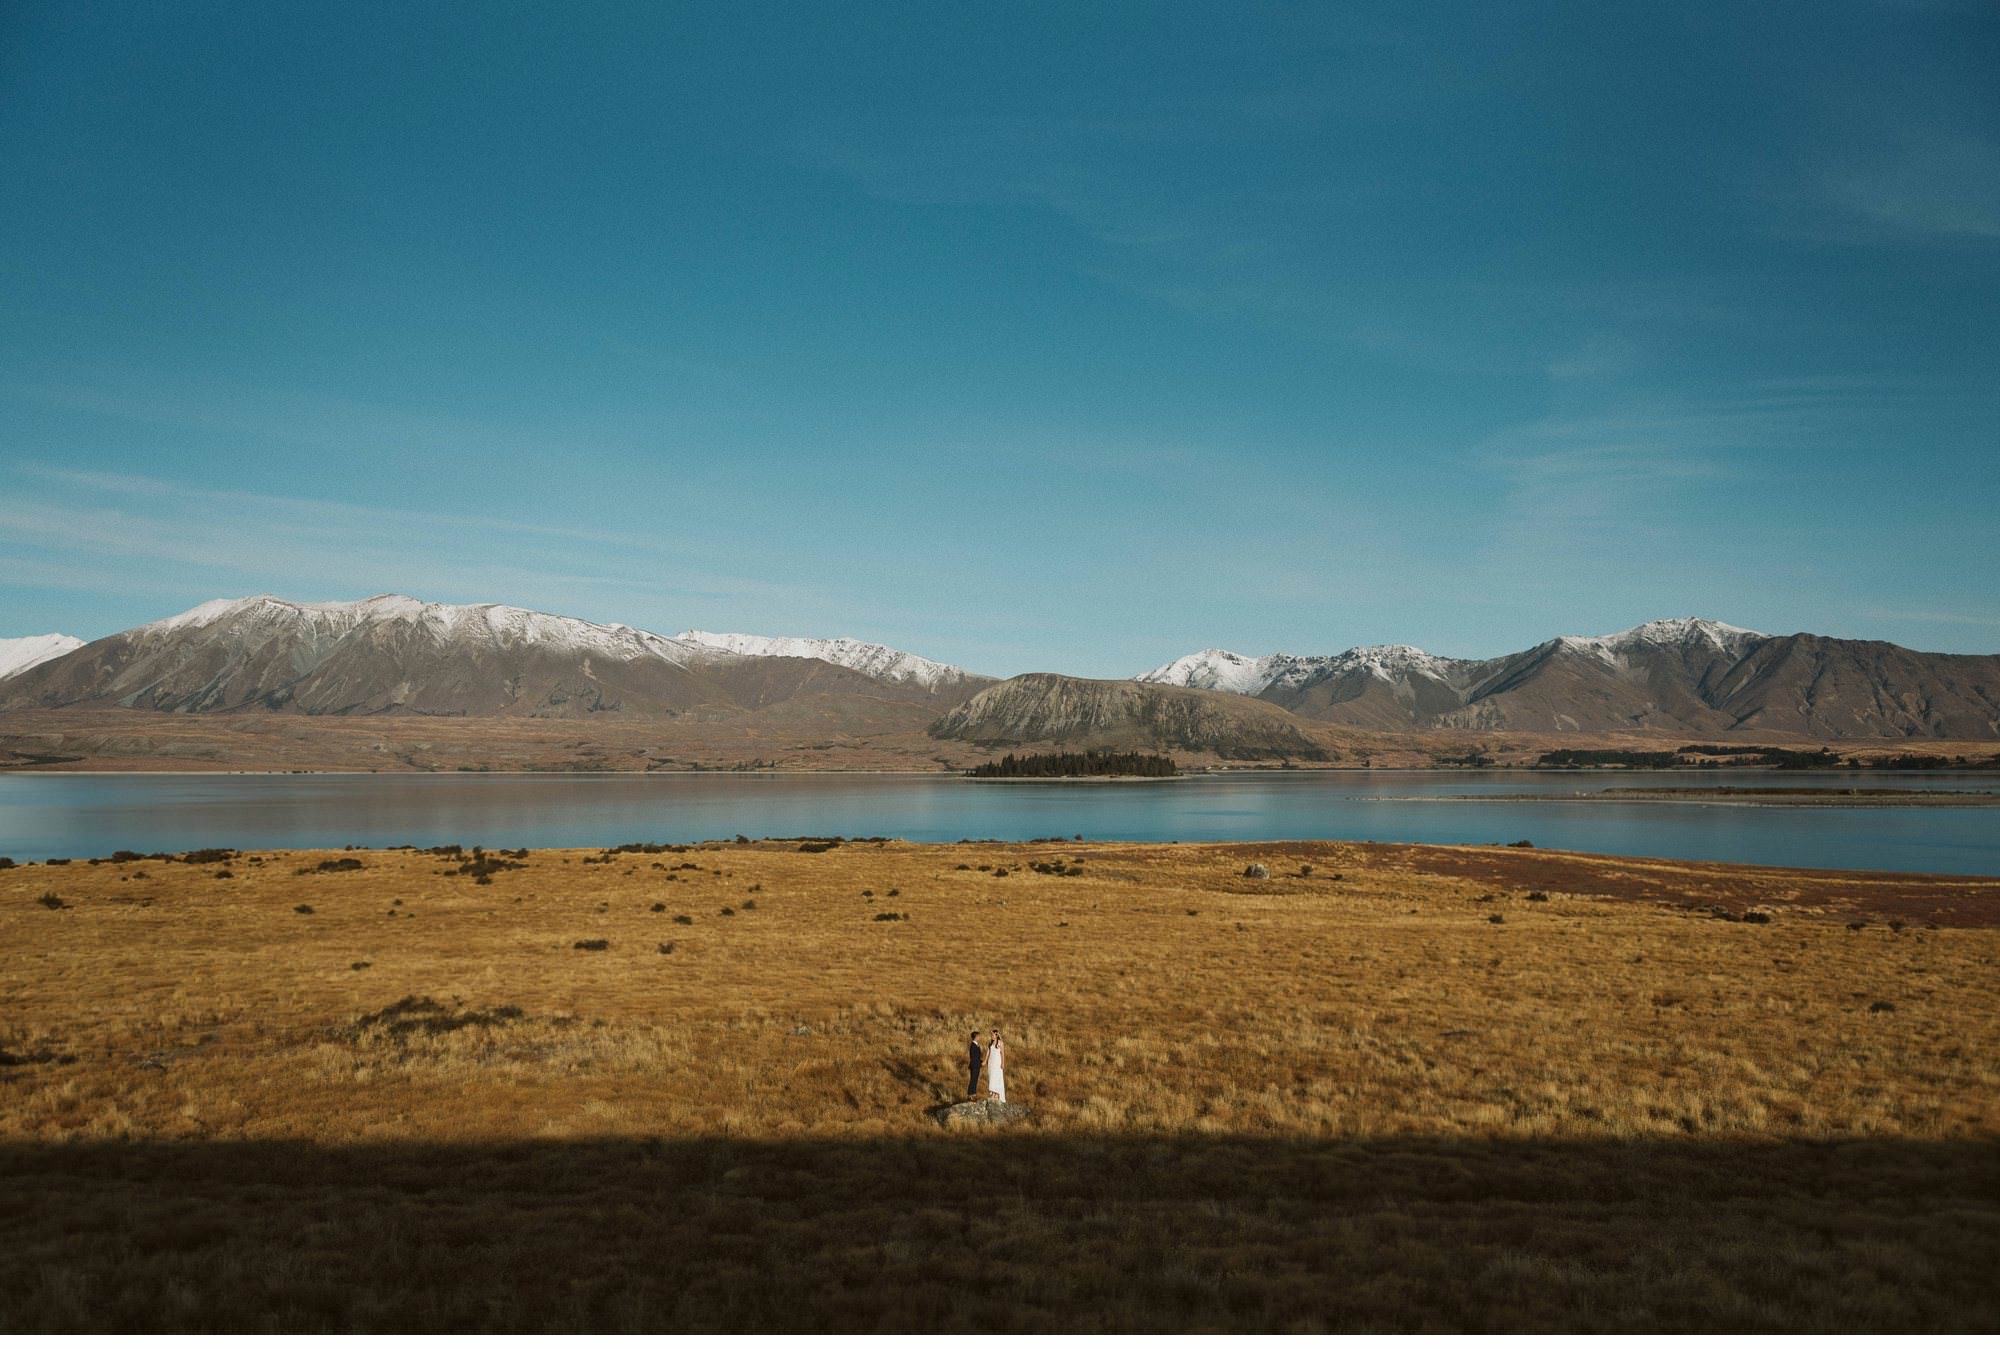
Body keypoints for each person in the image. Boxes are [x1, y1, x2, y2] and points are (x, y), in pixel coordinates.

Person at [986, 1028, 1005, 1103]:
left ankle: (997, 1093)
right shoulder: (990, 1043)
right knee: (991, 1077)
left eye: (993, 1035)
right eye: (991, 1035)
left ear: (996, 1035)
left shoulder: (1000, 1043)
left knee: (996, 1077)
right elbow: (988, 1052)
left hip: (997, 1063)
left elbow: (1003, 1053)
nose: (992, 1036)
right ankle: (993, 1093)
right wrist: (985, 1060)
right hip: (991, 1062)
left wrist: (1003, 1063)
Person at [965, 1031, 984, 1101]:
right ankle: (970, 1095)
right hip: (974, 1065)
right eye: (978, 1036)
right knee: (973, 1080)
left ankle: (974, 1094)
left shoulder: (976, 1045)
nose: (979, 1037)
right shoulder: (973, 1046)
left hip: (976, 1065)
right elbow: (974, 1058)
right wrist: (981, 1063)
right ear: (975, 1037)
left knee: (975, 1080)